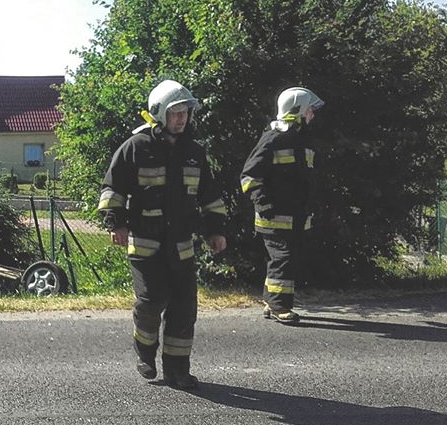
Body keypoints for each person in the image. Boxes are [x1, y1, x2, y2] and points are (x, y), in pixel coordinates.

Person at [99, 80, 227, 389]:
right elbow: (112, 188)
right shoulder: (135, 148)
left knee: (184, 310)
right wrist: (116, 222)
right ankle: (145, 352)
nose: (181, 119)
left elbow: (210, 196)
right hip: (146, 246)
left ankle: (177, 371)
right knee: (152, 301)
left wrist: (216, 231)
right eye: (174, 113)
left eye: (185, 112)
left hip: (181, 248)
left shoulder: (195, 153)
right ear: (159, 114)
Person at [240, 86, 324, 324]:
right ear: (296, 111)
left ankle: (270, 299)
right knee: (283, 258)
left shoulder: (303, 141)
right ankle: (280, 307)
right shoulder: (273, 138)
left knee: (285, 259)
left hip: (295, 217)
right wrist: (262, 203)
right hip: (274, 217)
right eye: (309, 111)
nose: (312, 116)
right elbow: (249, 175)